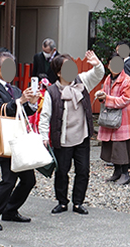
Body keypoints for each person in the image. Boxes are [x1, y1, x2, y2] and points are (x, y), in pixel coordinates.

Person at [0, 51, 40, 231]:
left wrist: (32, 103)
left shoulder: (14, 89)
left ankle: (10, 210)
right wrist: (20, 101)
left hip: (19, 139)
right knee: (8, 180)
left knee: (29, 180)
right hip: (4, 139)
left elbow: (23, 111)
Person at [39, 51, 104, 214]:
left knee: (83, 171)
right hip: (62, 138)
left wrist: (97, 63)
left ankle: (78, 202)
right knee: (62, 171)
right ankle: (62, 202)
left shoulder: (81, 81)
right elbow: (45, 115)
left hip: (81, 135)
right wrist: (43, 136)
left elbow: (98, 74)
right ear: (59, 72)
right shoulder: (52, 91)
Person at [97, 54, 130, 185]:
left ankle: (125, 173)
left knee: (121, 146)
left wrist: (107, 99)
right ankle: (116, 172)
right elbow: (105, 94)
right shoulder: (108, 79)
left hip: (124, 118)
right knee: (111, 145)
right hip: (111, 118)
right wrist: (101, 97)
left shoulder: (127, 80)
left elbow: (125, 100)